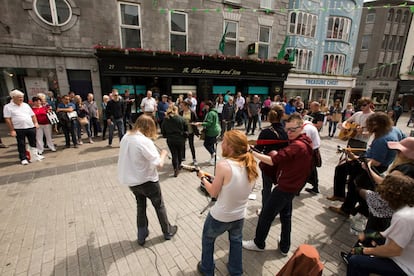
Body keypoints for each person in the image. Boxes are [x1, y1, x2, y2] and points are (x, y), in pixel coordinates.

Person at [243, 113, 313, 256]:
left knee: (266, 216)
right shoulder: (305, 141)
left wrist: (251, 151)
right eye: (287, 129)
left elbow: (272, 160)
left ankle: (258, 243)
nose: (289, 133)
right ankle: (284, 246)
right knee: (286, 216)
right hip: (293, 185)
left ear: (301, 127)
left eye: (292, 130)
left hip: (286, 187)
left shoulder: (298, 145)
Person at [196, 130, 258, 276]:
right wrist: (213, 177)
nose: (221, 144)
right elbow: (236, 185)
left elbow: (213, 192)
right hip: (239, 215)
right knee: (236, 241)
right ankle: (236, 271)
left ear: (230, 146)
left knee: (208, 239)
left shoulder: (223, 165)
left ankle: (207, 268)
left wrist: (203, 178)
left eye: (223, 141)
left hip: (220, 216)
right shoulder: (252, 164)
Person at [329, 112, 406, 218]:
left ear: (376, 125)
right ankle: (341, 198)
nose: (368, 127)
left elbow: (376, 162)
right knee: (342, 170)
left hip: (372, 165)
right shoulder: (394, 129)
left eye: (369, 125)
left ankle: (351, 210)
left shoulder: (382, 140)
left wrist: (354, 157)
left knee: (355, 184)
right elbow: (403, 141)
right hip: (374, 160)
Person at [117, 115, 178, 246]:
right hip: (147, 180)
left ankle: (141, 235)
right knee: (159, 206)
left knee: (140, 206)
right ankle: (167, 231)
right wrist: (163, 154)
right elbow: (159, 164)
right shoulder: (144, 141)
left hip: (132, 182)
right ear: (148, 127)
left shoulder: (126, 137)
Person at [346, 171, 414, 276]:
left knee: (357, 262)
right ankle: (351, 256)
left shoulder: (403, 217)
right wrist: (369, 235)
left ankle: (354, 261)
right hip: (404, 254)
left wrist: (365, 251)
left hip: (405, 267)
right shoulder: (407, 208)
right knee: (369, 234)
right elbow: (389, 235)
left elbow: (393, 250)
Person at [326, 98, 374, 203]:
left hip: (361, 144)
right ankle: (339, 194)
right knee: (341, 168)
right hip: (351, 141)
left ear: (370, 104)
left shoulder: (372, 117)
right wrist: (345, 128)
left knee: (349, 169)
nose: (362, 107)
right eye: (360, 105)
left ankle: (347, 197)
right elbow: (346, 122)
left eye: (364, 105)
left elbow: (370, 132)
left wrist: (361, 132)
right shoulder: (357, 114)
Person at [254, 104, 288, 214]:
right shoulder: (287, 131)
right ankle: (279, 210)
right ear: (282, 115)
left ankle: (266, 211)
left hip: (269, 164)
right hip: (283, 163)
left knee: (267, 189)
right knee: (281, 188)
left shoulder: (266, 131)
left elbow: (258, 149)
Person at [3, 89, 44, 165]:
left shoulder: (25, 105)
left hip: (30, 126)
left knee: (33, 142)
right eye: (19, 97)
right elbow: (7, 119)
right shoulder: (8, 107)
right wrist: (12, 130)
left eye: (22, 97)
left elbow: (32, 115)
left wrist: (35, 123)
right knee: (21, 143)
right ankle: (23, 158)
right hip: (19, 128)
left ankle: (35, 155)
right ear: (13, 97)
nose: (21, 99)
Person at [161, 105, 187, 177]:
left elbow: (163, 130)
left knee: (174, 154)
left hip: (170, 139)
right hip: (180, 138)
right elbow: (186, 129)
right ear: (176, 110)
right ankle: (179, 165)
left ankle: (175, 168)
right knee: (180, 153)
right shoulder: (181, 119)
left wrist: (165, 135)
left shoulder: (166, 119)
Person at [194, 100, 221, 166]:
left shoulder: (211, 113)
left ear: (208, 106)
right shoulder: (213, 112)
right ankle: (213, 157)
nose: (204, 107)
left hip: (212, 131)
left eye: (205, 106)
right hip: (215, 130)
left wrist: (200, 123)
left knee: (206, 144)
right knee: (211, 144)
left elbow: (209, 123)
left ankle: (213, 155)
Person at [179, 99, 199, 166]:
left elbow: (196, 121)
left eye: (182, 105)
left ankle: (194, 159)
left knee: (191, 145)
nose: (181, 106)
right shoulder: (181, 112)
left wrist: (193, 124)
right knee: (182, 145)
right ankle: (182, 158)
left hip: (190, 131)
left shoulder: (192, 112)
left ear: (187, 106)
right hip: (183, 131)